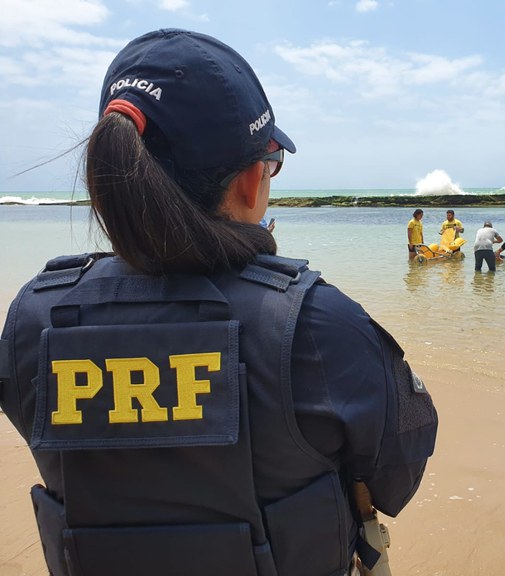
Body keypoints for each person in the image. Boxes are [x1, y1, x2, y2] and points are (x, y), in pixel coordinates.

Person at [0, 29, 437, 576]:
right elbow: (397, 475)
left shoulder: (33, 320)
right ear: (253, 182)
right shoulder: (316, 325)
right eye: (271, 164)